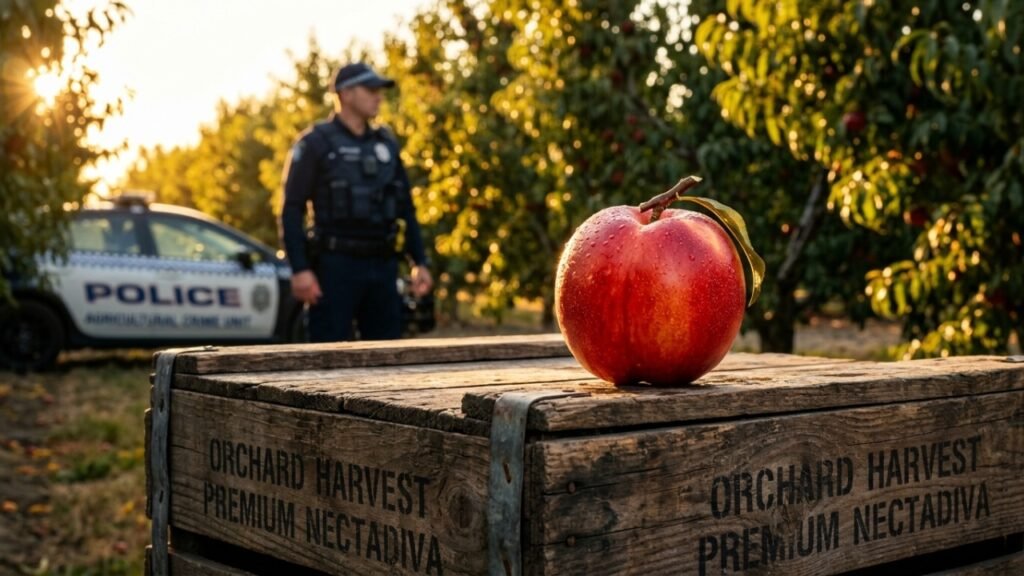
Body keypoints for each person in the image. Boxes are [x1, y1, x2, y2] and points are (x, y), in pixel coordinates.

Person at [279, 62, 432, 342]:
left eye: (380, 90)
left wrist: (419, 260)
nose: (379, 97)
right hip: (335, 266)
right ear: (345, 94)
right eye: (370, 89)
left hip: (383, 265)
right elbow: (291, 209)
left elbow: (405, 208)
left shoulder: (386, 144)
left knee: (386, 358)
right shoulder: (315, 144)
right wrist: (299, 269)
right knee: (328, 360)